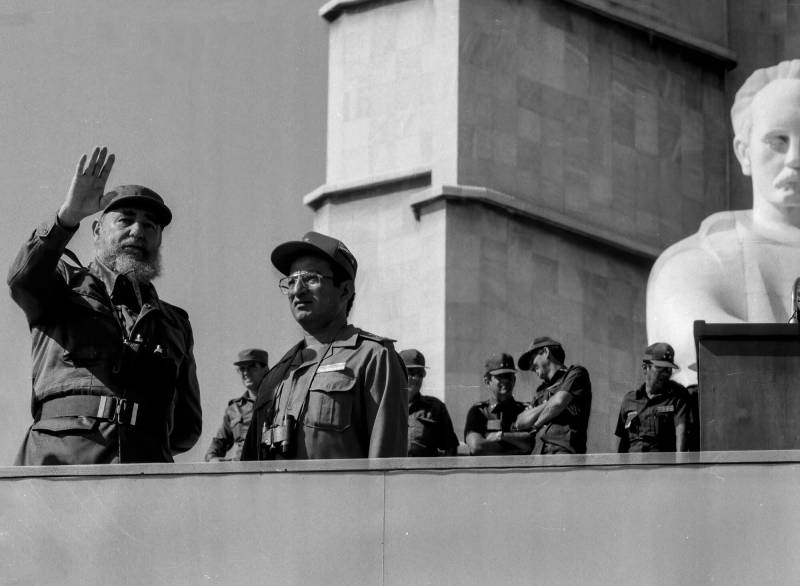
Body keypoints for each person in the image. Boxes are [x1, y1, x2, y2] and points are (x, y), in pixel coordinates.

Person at [7, 147, 201, 464]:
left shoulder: (174, 322)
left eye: (150, 225)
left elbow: (186, 428)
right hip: (62, 465)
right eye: (125, 220)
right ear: (97, 231)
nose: (138, 231)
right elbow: (22, 279)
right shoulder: (63, 285)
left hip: (145, 477)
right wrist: (67, 216)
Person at [647, 60, 800, 386]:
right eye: (778, 140)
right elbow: (695, 351)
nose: (795, 159)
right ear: (744, 153)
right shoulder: (694, 261)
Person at [240, 231, 407, 460]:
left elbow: (386, 472)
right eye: (291, 281)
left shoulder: (373, 358)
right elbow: (249, 472)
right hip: (277, 495)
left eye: (311, 278)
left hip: (343, 496)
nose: (297, 290)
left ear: (345, 290)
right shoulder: (276, 377)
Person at [515, 337, 592, 454]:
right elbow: (520, 422)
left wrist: (536, 424)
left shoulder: (575, 373)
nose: (531, 367)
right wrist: (548, 405)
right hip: (537, 456)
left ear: (545, 352)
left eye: (532, 359)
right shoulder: (540, 391)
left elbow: (558, 402)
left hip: (563, 454)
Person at [615, 343, 690, 453]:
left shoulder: (677, 396)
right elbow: (622, 441)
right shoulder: (629, 401)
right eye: (660, 368)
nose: (666, 373)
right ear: (645, 368)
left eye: (669, 369)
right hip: (634, 467)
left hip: (662, 467)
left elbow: (681, 434)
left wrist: (679, 468)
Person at [205, 348, 269, 461]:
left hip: (272, 470)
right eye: (242, 369)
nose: (245, 373)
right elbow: (218, 443)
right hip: (242, 471)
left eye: (252, 367)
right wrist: (212, 458)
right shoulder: (234, 409)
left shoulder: (278, 400)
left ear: (266, 369)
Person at [463, 353, 534, 456]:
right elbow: (477, 446)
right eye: (500, 377)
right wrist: (517, 449)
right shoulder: (479, 411)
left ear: (514, 380)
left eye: (508, 376)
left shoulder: (526, 410)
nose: (505, 381)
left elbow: (532, 443)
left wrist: (501, 436)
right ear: (487, 381)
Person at [401, 348, 459, 457]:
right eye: (411, 372)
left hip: (425, 472)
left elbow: (450, 447)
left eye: (420, 374)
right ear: (398, 373)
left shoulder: (436, 408)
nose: (416, 378)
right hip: (391, 472)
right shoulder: (384, 406)